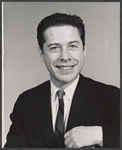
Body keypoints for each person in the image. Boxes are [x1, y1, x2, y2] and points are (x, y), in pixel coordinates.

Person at [4, 13, 120, 148]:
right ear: (42, 54)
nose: (65, 57)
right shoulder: (26, 102)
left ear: (84, 50)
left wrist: (99, 135)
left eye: (73, 46)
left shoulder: (112, 97)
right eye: (54, 48)